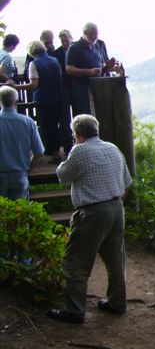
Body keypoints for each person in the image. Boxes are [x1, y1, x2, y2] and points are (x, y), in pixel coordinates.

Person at [47, 114, 132, 324]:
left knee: (76, 261)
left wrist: (65, 157)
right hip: (116, 207)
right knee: (115, 259)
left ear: (77, 134)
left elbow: (63, 176)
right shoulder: (113, 148)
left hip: (92, 211)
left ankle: (74, 310)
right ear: (97, 130)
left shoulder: (79, 150)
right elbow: (126, 182)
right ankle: (117, 302)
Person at [16, 40, 64, 161]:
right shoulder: (55, 61)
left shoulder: (34, 64)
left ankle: (47, 153)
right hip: (57, 97)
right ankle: (56, 151)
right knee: (54, 125)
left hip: (43, 98)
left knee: (45, 126)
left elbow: (34, 85)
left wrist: (16, 87)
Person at [0, 85, 44, 199]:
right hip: (19, 174)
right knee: (21, 208)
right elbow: (39, 152)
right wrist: (29, 169)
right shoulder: (27, 122)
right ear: (16, 101)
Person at [66, 22, 117, 116]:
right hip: (82, 91)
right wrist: (89, 72)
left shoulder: (97, 46)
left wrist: (109, 67)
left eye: (97, 34)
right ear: (85, 32)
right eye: (93, 34)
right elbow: (69, 69)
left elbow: (99, 70)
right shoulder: (74, 48)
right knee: (86, 117)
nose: (95, 37)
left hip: (98, 89)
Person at [53, 29, 74, 156]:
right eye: (63, 41)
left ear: (71, 39)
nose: (65, 43)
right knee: (64, 118)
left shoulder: (76, 50)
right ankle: (67, 146)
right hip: (63, 88)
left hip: (76, 86)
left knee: (79, 115)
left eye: (67, 40)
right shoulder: (56, 54)